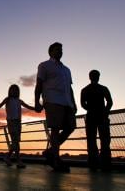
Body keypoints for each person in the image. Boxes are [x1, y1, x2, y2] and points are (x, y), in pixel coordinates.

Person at [35, 42, 77, 172]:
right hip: (52, 100)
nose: (60, 52)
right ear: (51, 52)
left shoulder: (66, 69)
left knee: (71, 126)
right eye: (57, 50)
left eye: (61, 50)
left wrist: (73, 102)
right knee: (55, 129)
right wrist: (37, 101)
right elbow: (39, 84)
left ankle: (50, 152)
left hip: (67, 102)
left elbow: (69, 88)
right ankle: (55, 159)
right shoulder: (44, 66)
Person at [0, 84, 35, 168]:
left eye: (16, 90)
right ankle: (18, 161)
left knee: (16, 142)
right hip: (11, 122)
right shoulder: (7, 99)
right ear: (9, 91)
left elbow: (28, 106)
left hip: (18, 122)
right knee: (15, 141)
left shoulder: (19, 101)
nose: (14, 91)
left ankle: (7, 157)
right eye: (12, 89)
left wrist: (36, 108)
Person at [80, 69, 113, 171]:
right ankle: (105, 164)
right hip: (102, 117)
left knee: (91, 140)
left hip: (91, 117)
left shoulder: (85, 90)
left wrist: (90, 109)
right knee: (105, 140)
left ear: (89, 77)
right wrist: (105, 111)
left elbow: (83, 104)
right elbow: (110, 102)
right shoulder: (103, 89)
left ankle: (93, 163)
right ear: (98, 77)